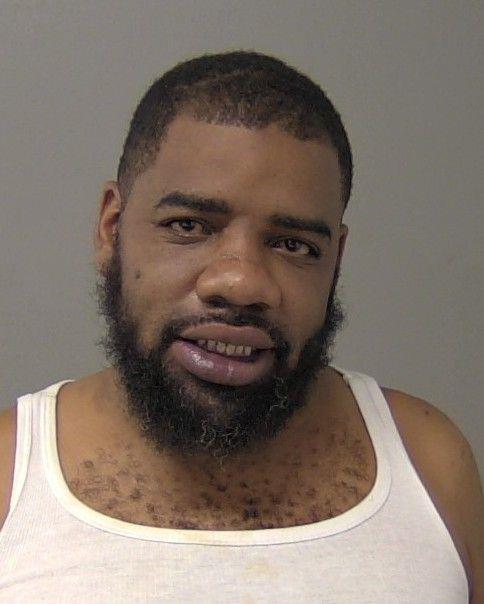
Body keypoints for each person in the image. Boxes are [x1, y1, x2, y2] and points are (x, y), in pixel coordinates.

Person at [0, 50, 482, 603]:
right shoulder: (10, 476)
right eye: (189, 226)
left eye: (293, 245)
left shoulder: (426, 461)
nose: (241, 282)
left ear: (336, 261)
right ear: (112, 228)